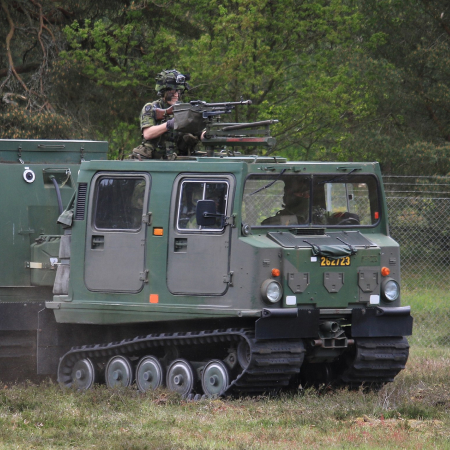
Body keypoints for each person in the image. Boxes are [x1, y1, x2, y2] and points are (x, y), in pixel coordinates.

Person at [130, 69, 200, 160]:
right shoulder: (152, 108)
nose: (176, 95)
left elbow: (198, 133)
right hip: (152, 161)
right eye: (172, 92)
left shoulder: (184, 109)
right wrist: (169, 124)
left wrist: (206, 133)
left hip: (175, 160)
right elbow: (147, 134)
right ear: (163, 92)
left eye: (178, 91)